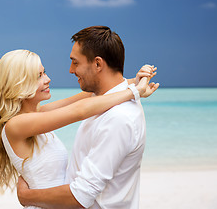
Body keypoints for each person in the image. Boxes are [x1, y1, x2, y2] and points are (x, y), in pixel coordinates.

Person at [17, 26, 159, 209]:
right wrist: (132, 85)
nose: (70, 70)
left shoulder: (118, 118)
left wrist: (27, 197)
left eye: (75, 62)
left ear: (98, 64)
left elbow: (81, 196)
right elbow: (68, 107)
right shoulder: (101, 101)